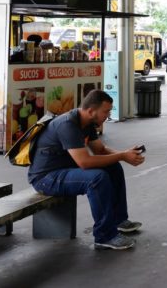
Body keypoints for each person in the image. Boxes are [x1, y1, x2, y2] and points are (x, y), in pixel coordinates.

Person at [28, 90, 144, 251]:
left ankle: (118, 220)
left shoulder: (87, 123)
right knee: (97, 178)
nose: (108, 115)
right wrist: (123, 156)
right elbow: (85, 162)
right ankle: (105, 236)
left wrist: (125, 154)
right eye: (106, 112)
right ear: (91, 111)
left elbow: (101, 150)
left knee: (113, 167)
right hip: (45, 179)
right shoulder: (67, 125)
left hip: (65, 170)